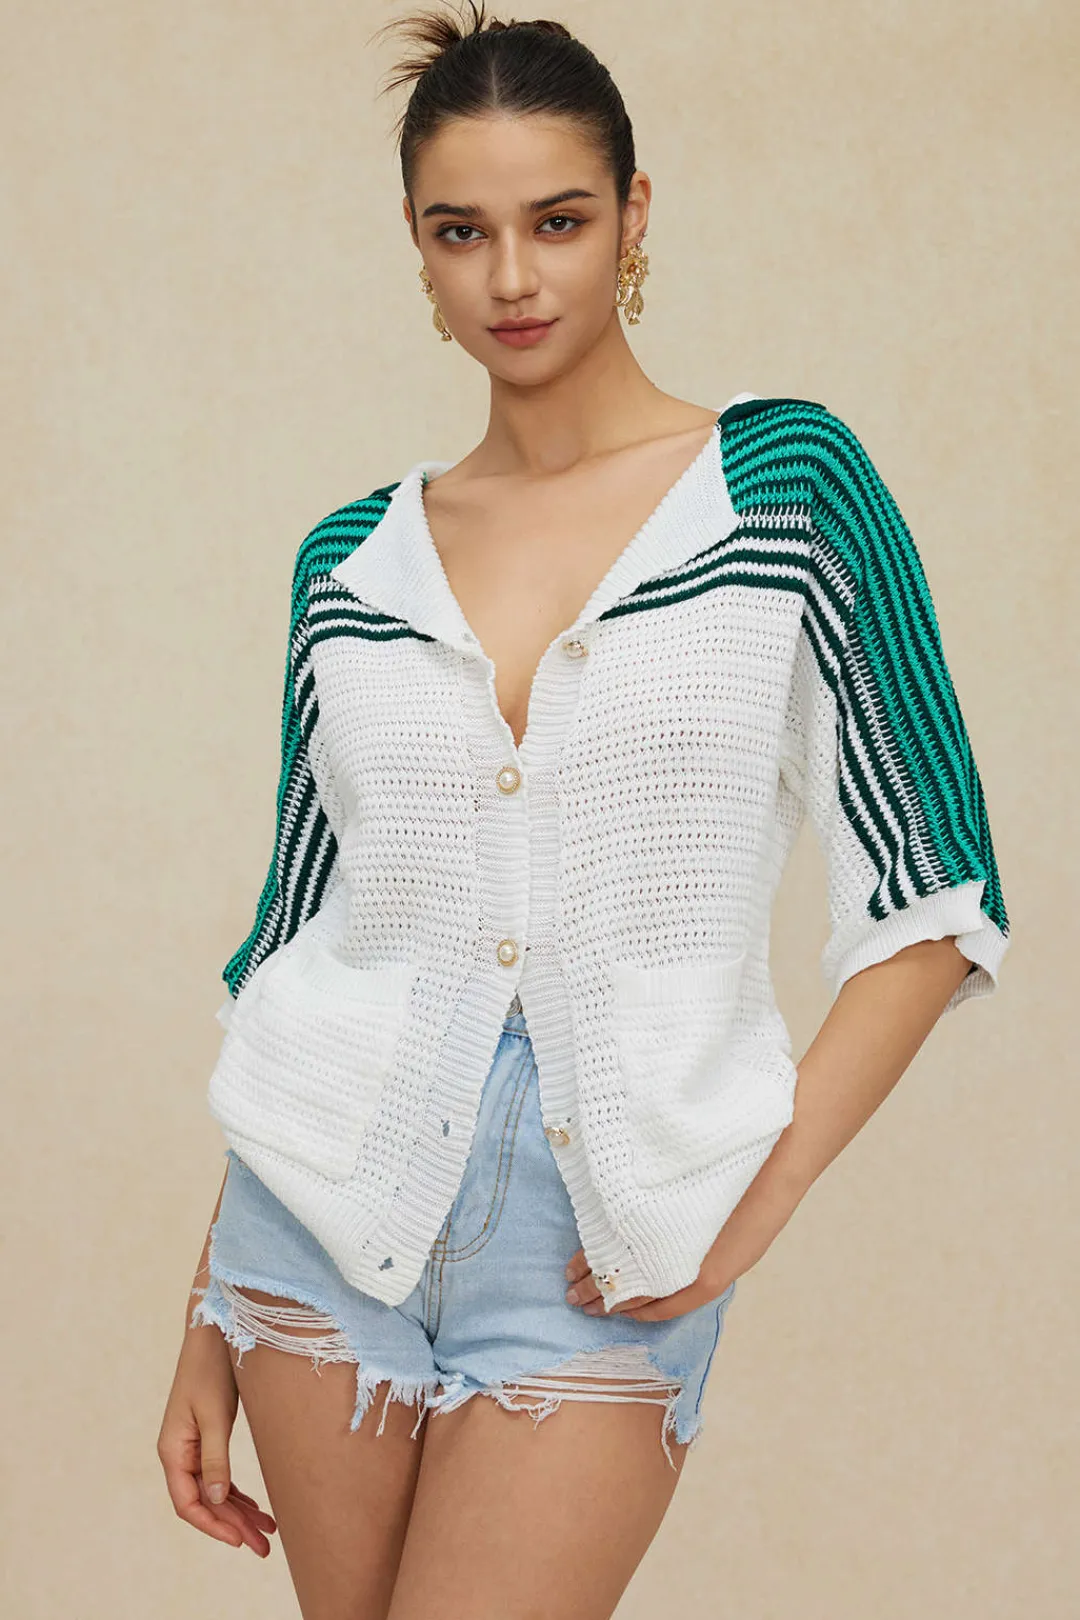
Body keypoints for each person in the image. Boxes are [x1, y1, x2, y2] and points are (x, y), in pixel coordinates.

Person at [156, 5, 1010, 1616]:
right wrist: (207, 1316)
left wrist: (754, 1197)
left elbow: (937, 894)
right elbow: (298, 941)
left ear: (633, 214)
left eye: (557, 221)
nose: (511, 278)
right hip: (314, 1215)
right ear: (415, 247)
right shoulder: (350, 562)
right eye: (459, 232)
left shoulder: (784, 488)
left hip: (600, 1234)